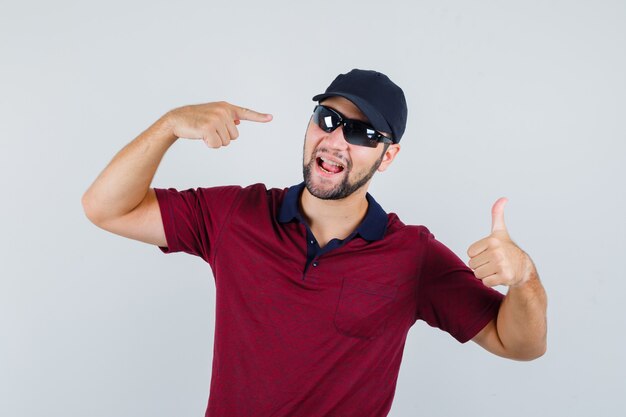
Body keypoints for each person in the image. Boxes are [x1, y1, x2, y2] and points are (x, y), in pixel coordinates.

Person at [82, 69, 547, 417]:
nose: (336, 140)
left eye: (363, 133)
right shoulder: (236, 216)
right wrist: (168, 126)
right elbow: (106, 207)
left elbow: (520, 344)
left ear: (389, 157)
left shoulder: (412, 256)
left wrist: (524, 278)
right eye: (328, 118)